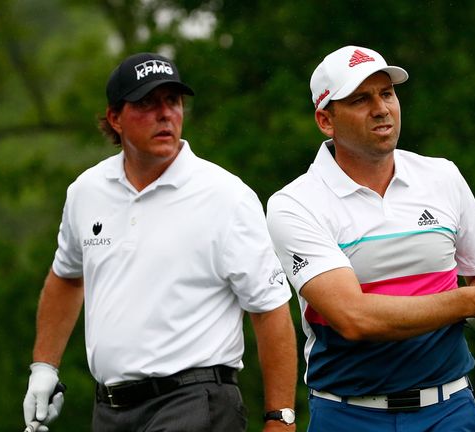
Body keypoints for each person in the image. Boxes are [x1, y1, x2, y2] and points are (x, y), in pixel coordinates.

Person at [266, 45, 475, 431]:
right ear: (326, 120)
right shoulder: (294, 204)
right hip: (349, 415)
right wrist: (472, 302)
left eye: (387, 93)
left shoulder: (442, 176)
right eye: (360, 99)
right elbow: (353, 317)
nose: (381, 108)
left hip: (449, 409)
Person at [22, 52, 297, 432]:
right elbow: (67, 277)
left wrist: (280, 419)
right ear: (115, 118)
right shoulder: (86, 191)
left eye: (173, 101)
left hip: (195, 402)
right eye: (147, 103)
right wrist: (43, 367)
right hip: (111, 408)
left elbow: (269, 310)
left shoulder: (226, 196)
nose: (165, 113)